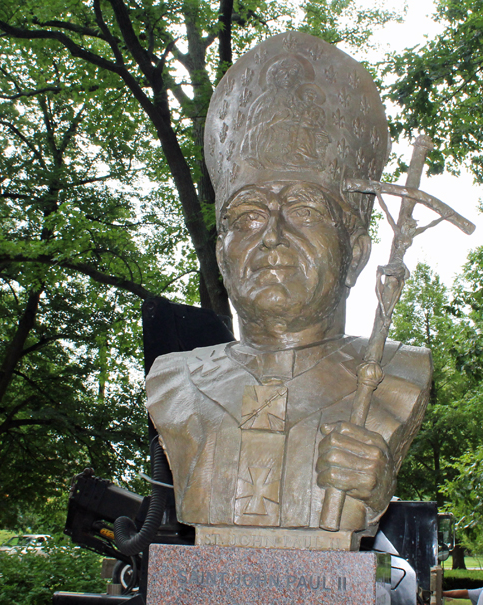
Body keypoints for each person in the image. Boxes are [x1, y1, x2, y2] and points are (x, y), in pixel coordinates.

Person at [145, 31, 432, 551]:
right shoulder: (173, 382)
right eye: (249, 215)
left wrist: (377, 476)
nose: (272, 237)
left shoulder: (397, 377)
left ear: (357, 252)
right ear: (220, 253)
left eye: (303, 210)